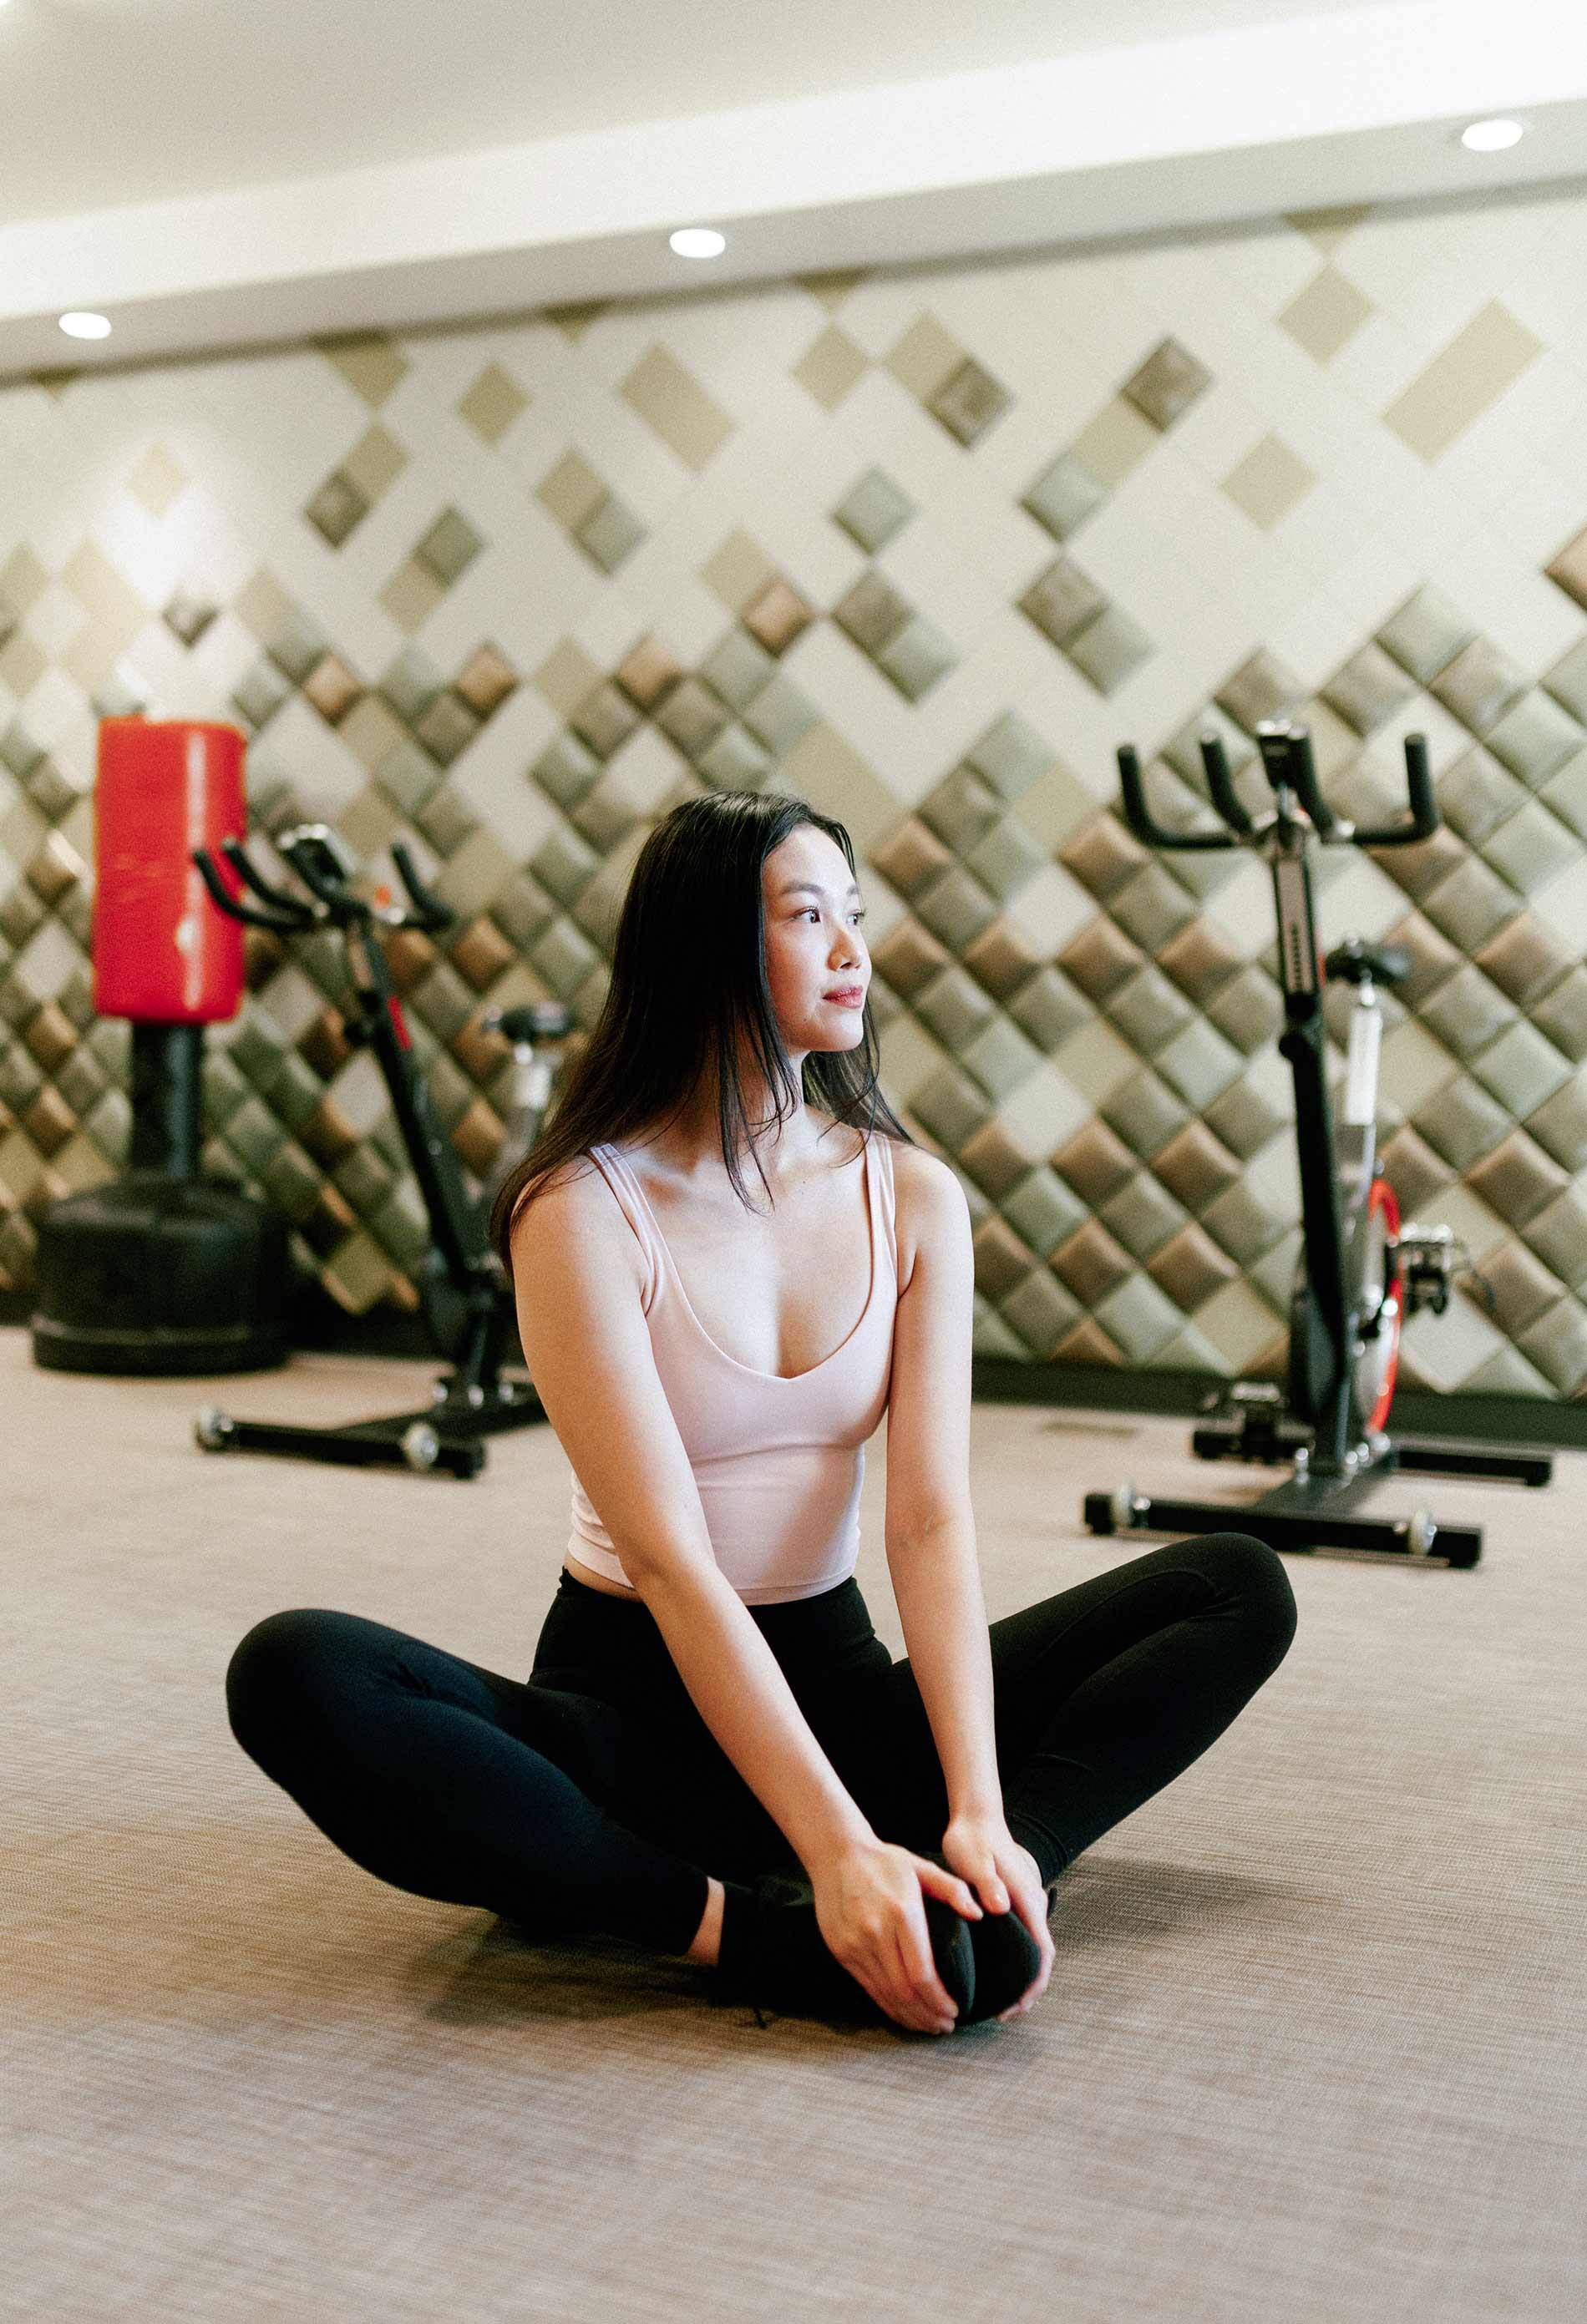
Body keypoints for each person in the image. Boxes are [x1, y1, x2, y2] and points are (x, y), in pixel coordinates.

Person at [226, 789, 1297, 2037]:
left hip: (838, 1700)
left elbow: (931, 1526)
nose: (854, 950)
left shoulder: (912, 1194)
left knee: (1236, 1586)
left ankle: (983, 1889)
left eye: (856, 915)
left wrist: (980, 1808)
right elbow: (674, 1566)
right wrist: (838, 1851)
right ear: (709, 944)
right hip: (632, 1728)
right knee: (296, 1670)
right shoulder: (580, 1208)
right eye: (808, 915)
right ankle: (746, 1927)